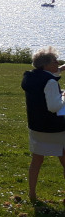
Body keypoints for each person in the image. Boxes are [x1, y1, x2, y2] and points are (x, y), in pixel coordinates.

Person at [21, 46, 65, 202]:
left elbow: (45, 78)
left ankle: (32, 194)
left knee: (36, 160)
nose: (58, 62)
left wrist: (60, 69)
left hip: (36, 127)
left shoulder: (30, 77)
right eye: (55, 60)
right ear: (46, 65)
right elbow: (54, 106)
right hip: (55, 129)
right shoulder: (51, 82)